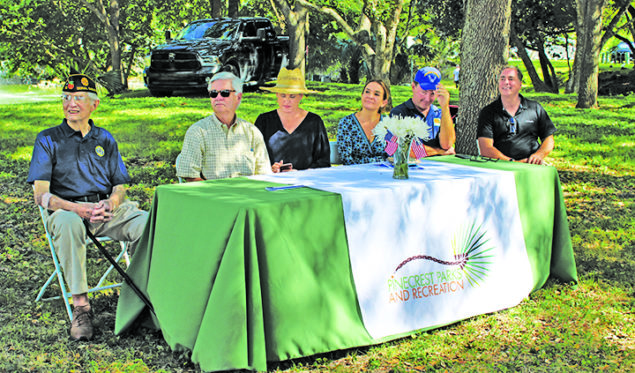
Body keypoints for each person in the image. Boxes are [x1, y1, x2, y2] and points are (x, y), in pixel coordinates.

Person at [27, 73, 149, 341]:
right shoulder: (48, 140)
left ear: (93, 104)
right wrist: (76, 209)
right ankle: (81, 307)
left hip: (106, 211)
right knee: (68, 224)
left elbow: (120, 185)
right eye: (66, 97)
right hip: (68, 212)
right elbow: (41, 195)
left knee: (149, 224)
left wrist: (112, 202)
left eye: (78, 98)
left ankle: (142, 296)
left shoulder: (104, 138)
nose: (71, 103)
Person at [176, 71, 272, 181]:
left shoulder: (252, 132)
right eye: (213, 93)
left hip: (248, 194)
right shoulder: (198, 131)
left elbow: (263, 174)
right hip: (211, 195)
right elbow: (190, 176)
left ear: (238, 97)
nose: (218, 97)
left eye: (225, 93)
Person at [255, 67, 330, 172]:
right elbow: (254, 158)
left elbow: (323, 162)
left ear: (301, 96)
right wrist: (269, 169)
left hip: (305, 183)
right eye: (283, 95)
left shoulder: (314, 122)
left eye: (292, 96)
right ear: (276, 95)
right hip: (270, 182)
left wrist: (300, 174)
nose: (287, 101)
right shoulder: (264, 121)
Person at [477, 66, 556, 164]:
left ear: (520, 84)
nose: (506, 82)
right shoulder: (488, 112)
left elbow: (549, 139)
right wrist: (512, 162)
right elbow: (485, 148)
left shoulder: (535, 108)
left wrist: (538, 155)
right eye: (502, 79)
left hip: (531, 165)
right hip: (500, 166)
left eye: (511, 79)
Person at [390, 67, 456, 156]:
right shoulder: (399, 113)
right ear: (413, 87)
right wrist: (438, 152)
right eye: (424, 92)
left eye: (432, 93)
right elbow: (401, 149)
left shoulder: (439, 113)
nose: (427, 99)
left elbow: (447, 145)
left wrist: (445, 107)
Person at [337, 79, 391, 165]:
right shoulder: (346, 123)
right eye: (367, 92)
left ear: (384, 102)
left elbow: (393, 155)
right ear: (362, 96)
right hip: (355, 174)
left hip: (384, 173)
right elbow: (346, 159)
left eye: (376, 94)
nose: (370, 96)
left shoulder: (389, 124)